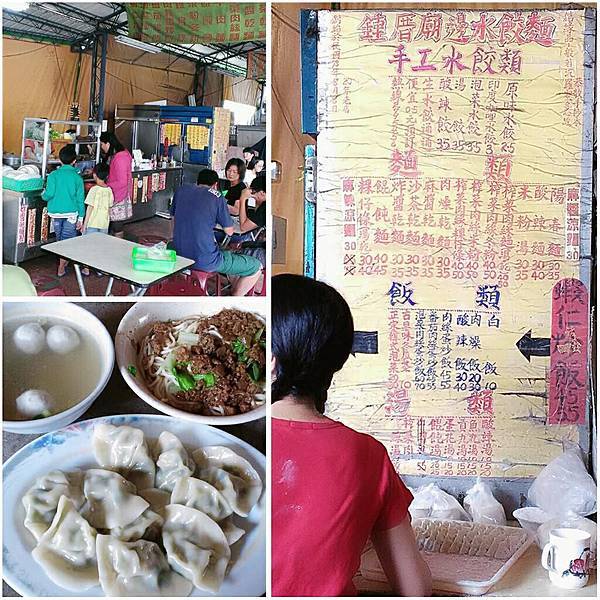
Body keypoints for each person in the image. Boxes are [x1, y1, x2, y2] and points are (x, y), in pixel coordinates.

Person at [271, 274, 432, 597]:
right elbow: (415, 589)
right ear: (337, 358)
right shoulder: (367, 455)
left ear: (270, 360)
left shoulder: (235, 437)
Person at [171, 169, 262, 296]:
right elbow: (229, 232)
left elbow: (174, 220)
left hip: (177, 253)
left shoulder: (181, 190)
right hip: (205, 259)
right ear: (215, 185)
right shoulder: (216, 196)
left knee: (224, 251)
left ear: (198, 181)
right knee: (255, 266)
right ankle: (233, 301)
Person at [41, 144, 84, 277]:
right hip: (72, 214)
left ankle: (62, 264)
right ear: (74, 161)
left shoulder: (53, 175)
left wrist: (43, 194)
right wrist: (81, 218)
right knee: (67, 239)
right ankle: (62, 265)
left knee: (60, 238)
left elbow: (48, 194)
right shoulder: (77, 178)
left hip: (56, 213)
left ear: (60, 159)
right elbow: (80, 200)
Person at [100, 131, 132, 238]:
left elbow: (122, 181)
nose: (102, 147)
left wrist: (106, 185)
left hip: (119, 195)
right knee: (115, 225)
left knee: (117, 226)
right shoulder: (122, 154)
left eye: (101, 144)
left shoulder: (120, 157)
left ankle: (118, 247)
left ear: (108, 144)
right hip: (118, 193)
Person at [238, 175, 267, 268]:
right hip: (263, 247)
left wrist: (242, 199)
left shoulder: (264, 208)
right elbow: (250, 216)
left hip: (265, 254)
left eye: (253, 192)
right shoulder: (263, 205)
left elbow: (243, 227)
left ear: (262, 193)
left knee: (236, 256)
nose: (252, 195)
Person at [82, 163, 114, 235]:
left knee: (90, 244)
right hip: (104, 224)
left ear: (94, 175)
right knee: (101, 244)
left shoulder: (93, 189)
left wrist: (85, 224)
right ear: (107, 176)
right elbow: (109, 208)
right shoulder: (109, 190)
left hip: (92, 223)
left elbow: (90, 208)